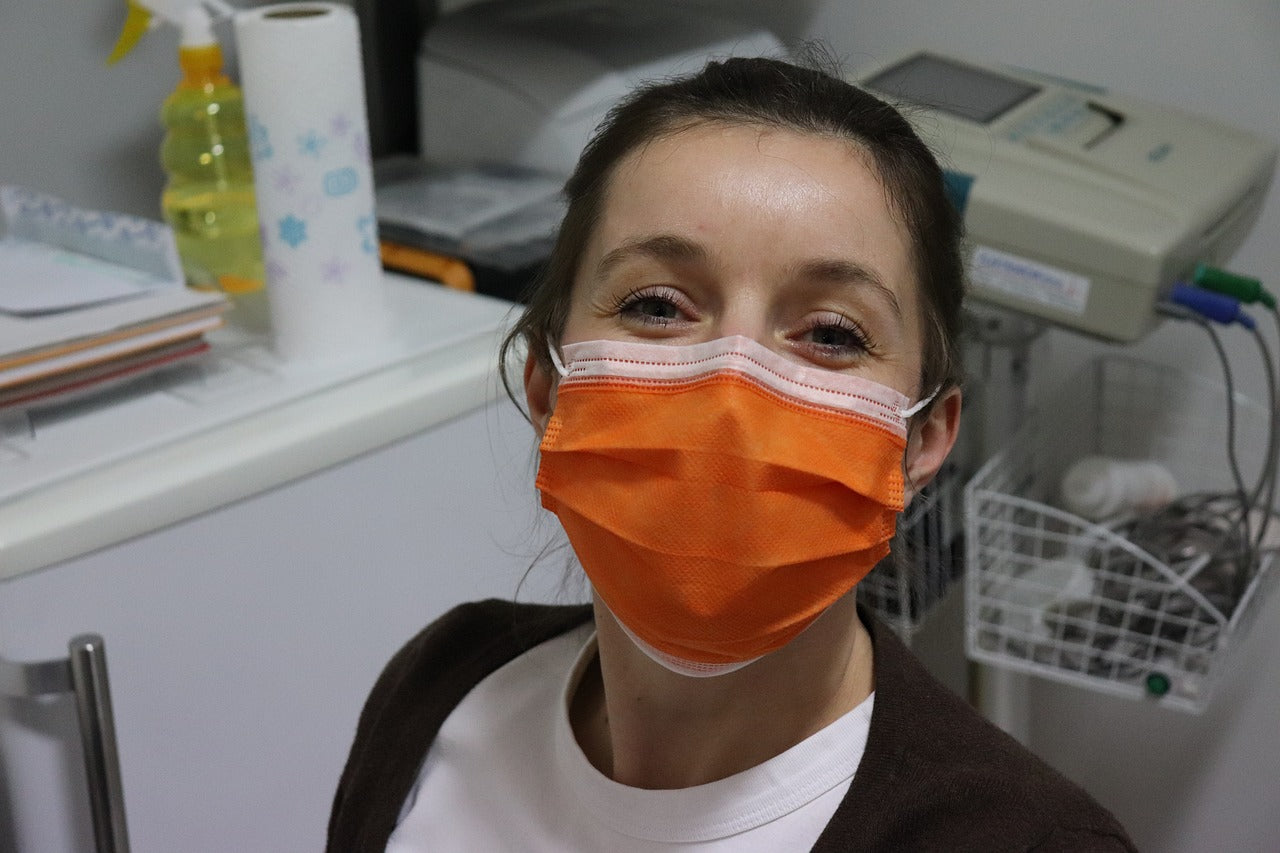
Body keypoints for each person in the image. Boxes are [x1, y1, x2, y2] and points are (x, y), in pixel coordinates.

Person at [327, 56, 1136, 852]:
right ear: (547, 386)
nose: (731, 389)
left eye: (830, 333)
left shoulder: (1025, 841)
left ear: (921, 440)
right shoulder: (442, 688)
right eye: (656, 305)